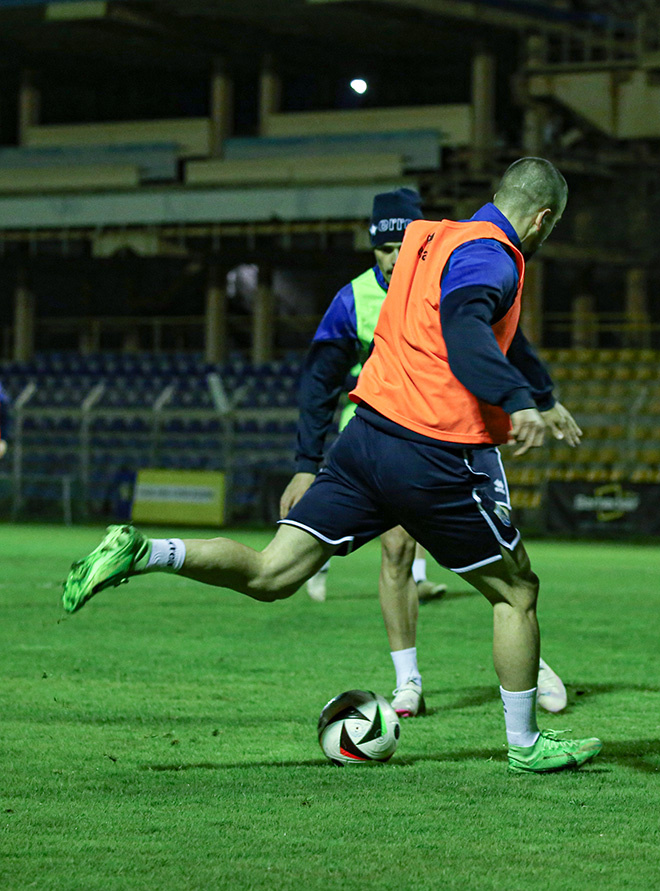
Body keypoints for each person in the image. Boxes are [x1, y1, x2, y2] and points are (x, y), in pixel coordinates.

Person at [62, 157, 599, 775]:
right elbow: (466, 326)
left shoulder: (429, 239)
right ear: (542, 219)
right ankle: (526, 744)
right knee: (516, 592)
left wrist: (543, 393)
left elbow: (498, 328)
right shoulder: (495, 257)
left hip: (363, 440)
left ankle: (144, 551)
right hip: (431, 453)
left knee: (271, 574)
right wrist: (517, 398)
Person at [279, 186, 567, 718]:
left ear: (415, 241)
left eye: (399, 246)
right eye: (381, 249)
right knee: (397, 551)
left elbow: (505, 339)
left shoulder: (449, 264)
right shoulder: (354, 299)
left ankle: (529, 658)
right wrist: (305, 463)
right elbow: (317, 384)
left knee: (501, 566)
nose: (393, 258)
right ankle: (408, 680)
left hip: (458, 437)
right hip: (381, 436)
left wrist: (541, 397)